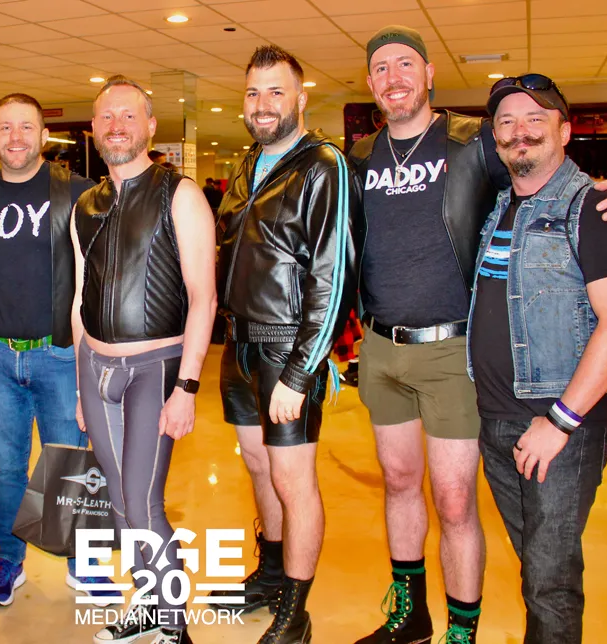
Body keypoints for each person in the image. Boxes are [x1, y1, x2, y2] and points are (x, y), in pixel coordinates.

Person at [346, 26, 607, 644]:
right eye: (380, 67)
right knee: (399, 484)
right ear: (370, 82)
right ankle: (411, 616)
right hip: (383, 347)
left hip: (454, 350)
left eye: (406, 64)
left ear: (430, 74)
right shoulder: (358, 156)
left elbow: (542, 165)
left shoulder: (473, 140)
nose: (393, 77)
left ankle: (462, 633)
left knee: (458, 502)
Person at [471, 76, 607, 643]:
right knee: (537, 568)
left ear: (565, 132)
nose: (519, 132)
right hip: (498, 419)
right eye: (506, 122)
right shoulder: (500, 205)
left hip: (558, 427)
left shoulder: (596, 207)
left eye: (535, 119)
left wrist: (560, 422)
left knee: (550, 581)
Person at [208, 45, 361, 644]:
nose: (263, 103)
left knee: (294, 481)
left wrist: (302, 371)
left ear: (301, 97)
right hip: (239, 343)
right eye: (253, 92)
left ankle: (295, 614)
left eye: (276, 91)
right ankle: (270, 577)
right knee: (259, 467)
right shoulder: (247, 165)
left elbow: (333, 274)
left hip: (286, 348)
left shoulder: (323, 165)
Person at [71, 75, 217, 644]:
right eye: (107, 117)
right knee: (119, 499)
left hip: (155, 369)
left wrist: (187, 387)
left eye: (129, 116)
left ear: (150, 126)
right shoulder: (86, 205)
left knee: (141, 500)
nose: (117, 126)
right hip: (95, 369)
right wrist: (79, 383)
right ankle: (149, 605)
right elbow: (80, 298)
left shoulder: (179, 194)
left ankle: (174, 627)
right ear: (93, 127)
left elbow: (203, 298)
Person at [0, 93, 118, 607]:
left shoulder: (77, 192)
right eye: (5, 127)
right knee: (6, 469)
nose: (15, 137)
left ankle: (84, 562)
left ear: (43, 135)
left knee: (70, 463)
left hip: (59, 356)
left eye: (26, 127)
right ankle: (8, 560)